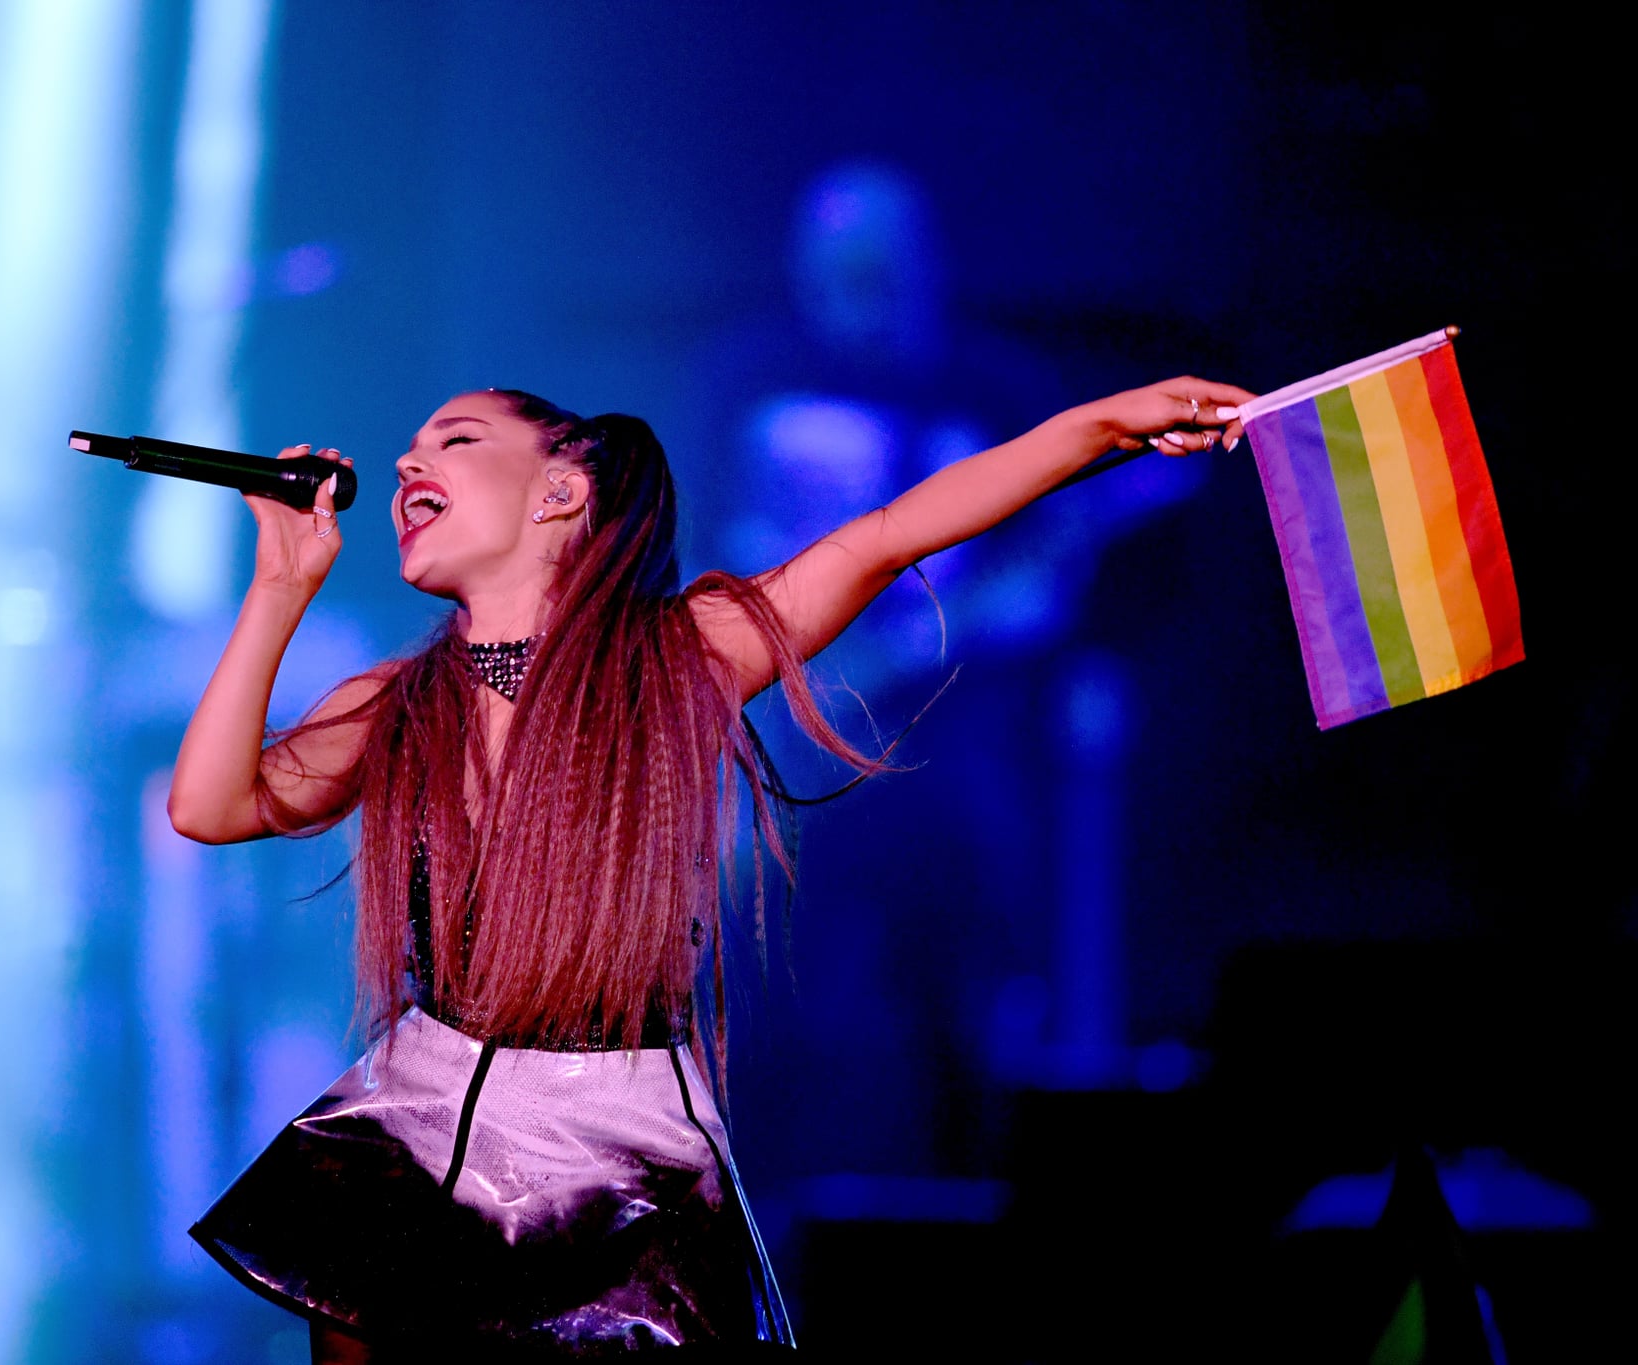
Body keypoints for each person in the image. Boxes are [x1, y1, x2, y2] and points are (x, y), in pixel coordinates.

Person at [165, 379, 1251, 1360]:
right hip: (415, 1130)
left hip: (616, 1151)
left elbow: (888, 534)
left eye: (451, 439)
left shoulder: (683, 652)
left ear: (559, 491)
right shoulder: (387, 703)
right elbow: (211, 805)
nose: (407, 463)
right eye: (408, 446)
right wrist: (278, 584)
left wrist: (1097, 426)